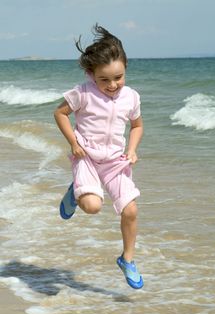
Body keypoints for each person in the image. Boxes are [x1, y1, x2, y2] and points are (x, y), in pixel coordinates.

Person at [54, 24, 144, 289]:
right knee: (92, 206)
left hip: (116, 160)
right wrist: (73, 142)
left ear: (126, 67)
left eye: (118, 77)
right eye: (104, 80)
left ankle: (127, 259)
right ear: (90, 74)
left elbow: (137, 125)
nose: (113, 85)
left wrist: (132, 149)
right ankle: (76, 192)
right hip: (87, 157)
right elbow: (59, 114)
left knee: (131, 209)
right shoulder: (82, 93)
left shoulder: (131, 97)